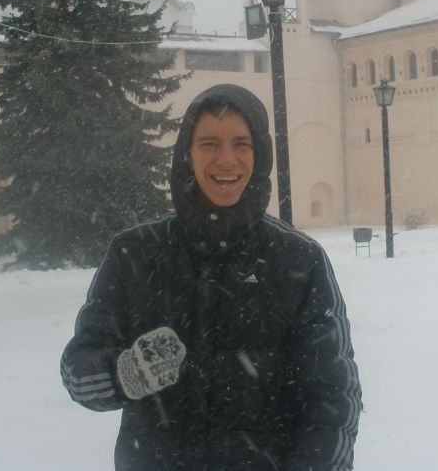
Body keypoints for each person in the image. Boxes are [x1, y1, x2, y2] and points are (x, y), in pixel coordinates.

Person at [61, 84, 361, 471]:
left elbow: (333, 399)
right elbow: (78, 371)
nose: (226, 159)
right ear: (187, 153)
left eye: (241, 144)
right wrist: (125, 375)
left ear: (259, 154)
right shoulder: (134, 254)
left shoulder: (298, 260)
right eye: (209, 144)